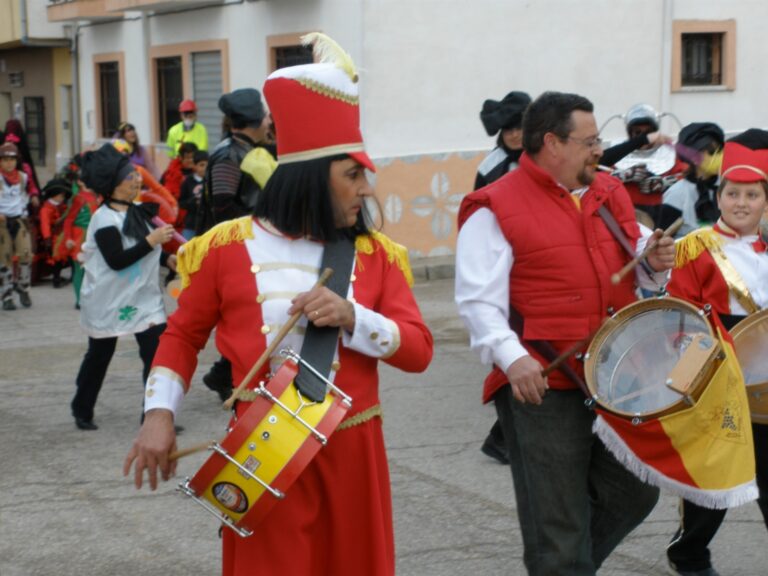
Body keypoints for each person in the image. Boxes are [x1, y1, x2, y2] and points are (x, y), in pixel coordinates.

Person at [123, 33, 433, 576]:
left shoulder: (377, 254)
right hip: (264, 448)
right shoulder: (225, 247)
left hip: (353, 453)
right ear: (313, 178)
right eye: (352, 174)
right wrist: (158, 415)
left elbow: (419, 351)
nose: (366, 189)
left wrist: (353, 316)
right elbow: (181, 337)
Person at [455, 91, 676, 576]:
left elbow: (636, 266)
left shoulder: (609, 191)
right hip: (543, 384)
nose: (599, 149)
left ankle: (563, 567)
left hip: (615, 376)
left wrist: (654, 263)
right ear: (552, 143)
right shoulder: (495, 204)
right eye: (590, 140)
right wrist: (512, 358)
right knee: (557, 520)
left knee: (634, 489)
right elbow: (476, 301)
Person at [665, 129, 768, 576]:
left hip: (766, 378)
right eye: (732, 193)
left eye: (752, 194)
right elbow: (676, 316)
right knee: (714, 479)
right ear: (719, 195)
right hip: (714, 369)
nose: (741, 203)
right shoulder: (695, 247)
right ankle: (688, 553)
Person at [71, 144, 176, 431]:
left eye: (135, 174)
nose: (137, 180)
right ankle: (82, 407)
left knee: (157, 355)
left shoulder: (138, 212)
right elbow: (117, 260)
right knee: (99, 356)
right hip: (109, 300)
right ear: (114, 185)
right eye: (130, 176)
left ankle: (153, 415)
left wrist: (169, 259)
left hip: (144, 298)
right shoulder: (103, 218)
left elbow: (143, 250)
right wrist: (152, 241)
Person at [195, 87, 276, 401]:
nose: (270, 119)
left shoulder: (247, 148)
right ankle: (224, 374)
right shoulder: (230, 153)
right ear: (253, 120)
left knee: (252, 314)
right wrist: (251, 232)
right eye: (266, 114)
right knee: (246, 314)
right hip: (235, 248)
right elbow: (224, 204)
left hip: (248, 244)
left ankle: (223, 374)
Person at [609, 103, 686, 227]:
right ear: (630, 133)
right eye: (637, 132)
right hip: (624, 214)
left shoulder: (670, 151)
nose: (643, 137)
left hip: (662, 215)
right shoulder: (616, 152)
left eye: (648, 132)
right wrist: (623, 175)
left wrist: (664, 183)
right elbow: (597, 178)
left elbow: (688, 178)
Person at [661, 122, 724, 237]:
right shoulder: (676, 194)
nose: (719, 156)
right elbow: (661, 242)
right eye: (711, 152)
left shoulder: (727, 187)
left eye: (720, 151)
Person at [475, 91, 532, 190]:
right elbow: (478, 201)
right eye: (508, 130)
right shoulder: (490, 166)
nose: (514, 135)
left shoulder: (544, 157)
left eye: (519, 128)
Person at [0, 142, 33, 310]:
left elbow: (23, 197)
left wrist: (25, 213)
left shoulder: (22, 176)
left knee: (26, 256)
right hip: (2, 222)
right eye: (5, 159)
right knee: (4, 260)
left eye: (12, 159)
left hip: (19, 220)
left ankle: (23, 287)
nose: (8, 163)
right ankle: (6, 296)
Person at [38, 178, 72, 288]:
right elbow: (45, 224)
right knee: (56, 260)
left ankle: (72, 276)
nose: (62, 198)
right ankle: (56, 279)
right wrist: (47, 239)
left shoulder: (63, 206)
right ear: (53, 195)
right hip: (55, 238)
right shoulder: (46, 209)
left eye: (63, 196)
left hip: (65, 236)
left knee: (69, 257)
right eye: (60, 195)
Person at [178, 150, 208, 240]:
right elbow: (181, 203)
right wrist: (192, 202)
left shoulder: (212, 180)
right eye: (201, 165)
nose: (205, 168)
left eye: (207, 165)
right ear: (194, 166)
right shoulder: (188, 181)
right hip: (191, 224)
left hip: (207, 224)